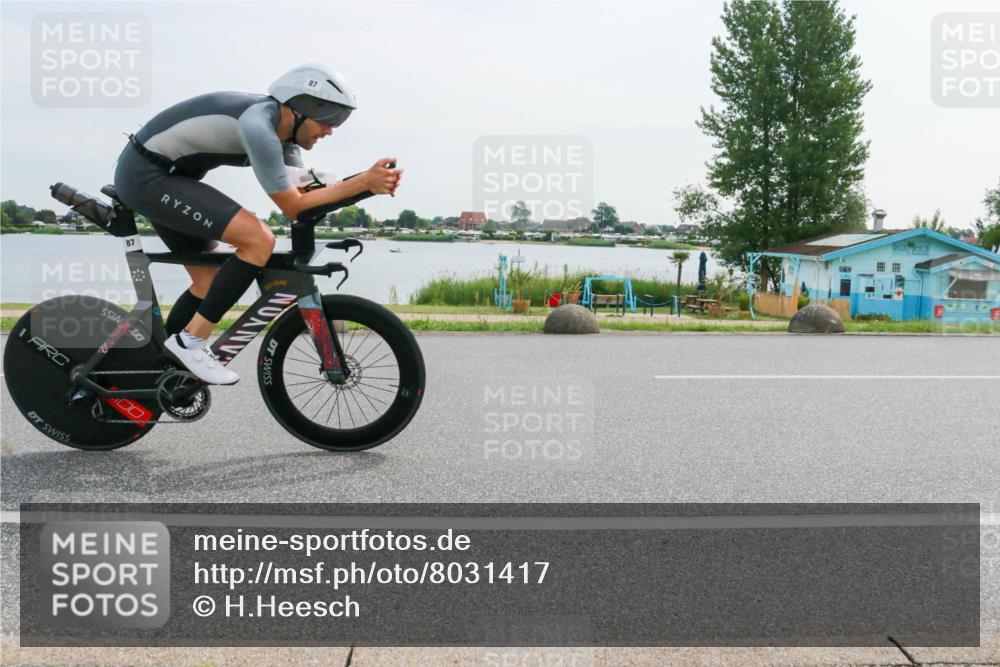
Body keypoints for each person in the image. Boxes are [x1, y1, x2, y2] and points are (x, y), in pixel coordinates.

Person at [113, 63, 401, 384]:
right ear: (302, 108)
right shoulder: (259, 127)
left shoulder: (285, 139)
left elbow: (305, 200)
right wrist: (362, 183)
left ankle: (161, 368)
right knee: (258, 239)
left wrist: (364, 188)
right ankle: (190, 342)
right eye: (329, 119)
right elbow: (293, 206)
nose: (331, 130)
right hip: (147, 176)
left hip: (168, 178)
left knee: (208, 280)